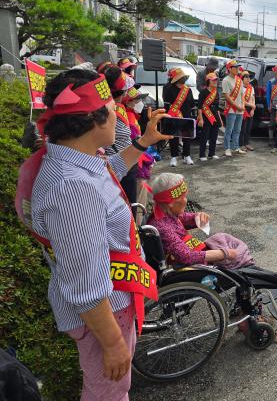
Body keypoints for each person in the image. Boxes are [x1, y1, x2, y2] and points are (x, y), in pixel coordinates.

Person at [23, 68, 168, 400]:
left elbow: (109, 176)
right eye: (114, 108)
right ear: (95, 120)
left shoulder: (75, 158)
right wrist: (114, 343)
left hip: (112, 298)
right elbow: (86, 283)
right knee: (109, 393)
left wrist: (143, 142)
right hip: (105, 312)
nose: (119, 114)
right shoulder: (73, 187)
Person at [148, 173, 254, 268]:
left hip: (196, 252)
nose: (186, 200)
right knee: (237, 254)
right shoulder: (163, 227)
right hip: (191, 266)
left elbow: (185, 217)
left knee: (223, 239)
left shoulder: (167, 213)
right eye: (183, 197)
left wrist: (198, 216)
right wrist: (226, 254)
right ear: (171, 203)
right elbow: (186, 256)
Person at [103, 66, 139, 204]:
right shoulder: (109, 110)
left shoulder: (116, 107)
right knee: (128, 204)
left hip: (123, 163)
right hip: (119, 165)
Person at [163, 67, 196, 166]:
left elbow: (192, 103)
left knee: (187, 137)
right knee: (174, 137)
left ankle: (187, 155)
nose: (183, 79)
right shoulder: (168, 89)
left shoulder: (188, 90)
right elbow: (167, 105)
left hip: (186, 116)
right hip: (173, 116)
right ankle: (174, 157)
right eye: (180, 77)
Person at [221, 60, 245, 157]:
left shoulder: (239, 80)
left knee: (238, 129)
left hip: (240, 109)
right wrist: (237, 106)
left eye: (237, 67)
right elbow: (227, 96)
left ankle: (235, 147)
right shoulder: (226, 80)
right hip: (231, 109)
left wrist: (242, 106)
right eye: (235, 67)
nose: (237, 69)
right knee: (229, 130)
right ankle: (227, 148)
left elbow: (242, 95)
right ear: (229, 69)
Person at [197, 71, 222, 161]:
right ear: (208, 81)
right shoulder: (203, 92)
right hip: (205, 116)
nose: (215, 82)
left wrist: (220, 119)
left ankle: (212, 153)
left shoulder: (216, 92)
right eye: (213, 80)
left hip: (215, 116)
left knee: (214, 136)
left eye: (216, 80)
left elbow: (218, 107)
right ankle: (202, 155)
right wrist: (200, 119)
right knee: (204, 136)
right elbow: (199, 107)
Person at [240, 71, 256, 151]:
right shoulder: (240, 87)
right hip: (243, 108)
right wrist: (251, 105)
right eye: (246, 77)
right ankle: (241, 144)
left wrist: (253, 108)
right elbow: (242, 100)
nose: (248, 79)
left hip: (250, 109)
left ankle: (247, 143)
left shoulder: (251, 87)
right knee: (242, 127)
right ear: (242, 78)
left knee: (248, 128)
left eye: (249, 77)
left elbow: (253, 98)